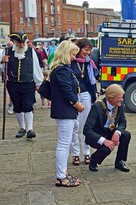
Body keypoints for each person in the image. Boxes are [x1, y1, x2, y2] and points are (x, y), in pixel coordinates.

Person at [50, 40, 84, 187]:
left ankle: (63, 172)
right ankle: (61, 176)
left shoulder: (58, 69)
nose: (74, 57)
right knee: (64, 144)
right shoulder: (62, 70)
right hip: (65, 111)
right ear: (65, 54)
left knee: (64, 143)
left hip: (63, 110)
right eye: (72, 54)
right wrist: (78, 105)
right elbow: (68, 92)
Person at [0, 33, 43, 138]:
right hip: (12, 84)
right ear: (14, 42)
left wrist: (38, 82)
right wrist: (2, 61)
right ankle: (22, 128)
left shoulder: (31, 51)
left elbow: (35, 67)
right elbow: (1, 66)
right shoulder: (6, 52)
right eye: (19, 42)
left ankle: (30, 129)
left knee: (28, 105)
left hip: (28, 83)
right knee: (17, 106)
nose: (21, 44)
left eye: (23, 42)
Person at [83, 84, 131, 172]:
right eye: (119, 97)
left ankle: (120, 161)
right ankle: (94, 160)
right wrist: (104, 141)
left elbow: (123, 122)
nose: (121, 99)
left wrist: (117, 133)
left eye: (121, 97)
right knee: (106, 149)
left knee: (126, 135)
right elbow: (86, 130)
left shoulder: (119, 104)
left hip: (110, 131)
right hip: (97, 135)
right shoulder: (97, 107)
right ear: (111, 98)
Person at [69, 38, 99, 166]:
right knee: (74, 126)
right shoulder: (71, 62)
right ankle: (75, 154)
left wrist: (93, 97)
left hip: (86, 94)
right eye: (85, 49)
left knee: (86, 125)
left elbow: (92, 82)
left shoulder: (89, 63)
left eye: (89, 50)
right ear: (79, 48)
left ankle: (87, 152)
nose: (87, 53)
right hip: (73, 95)